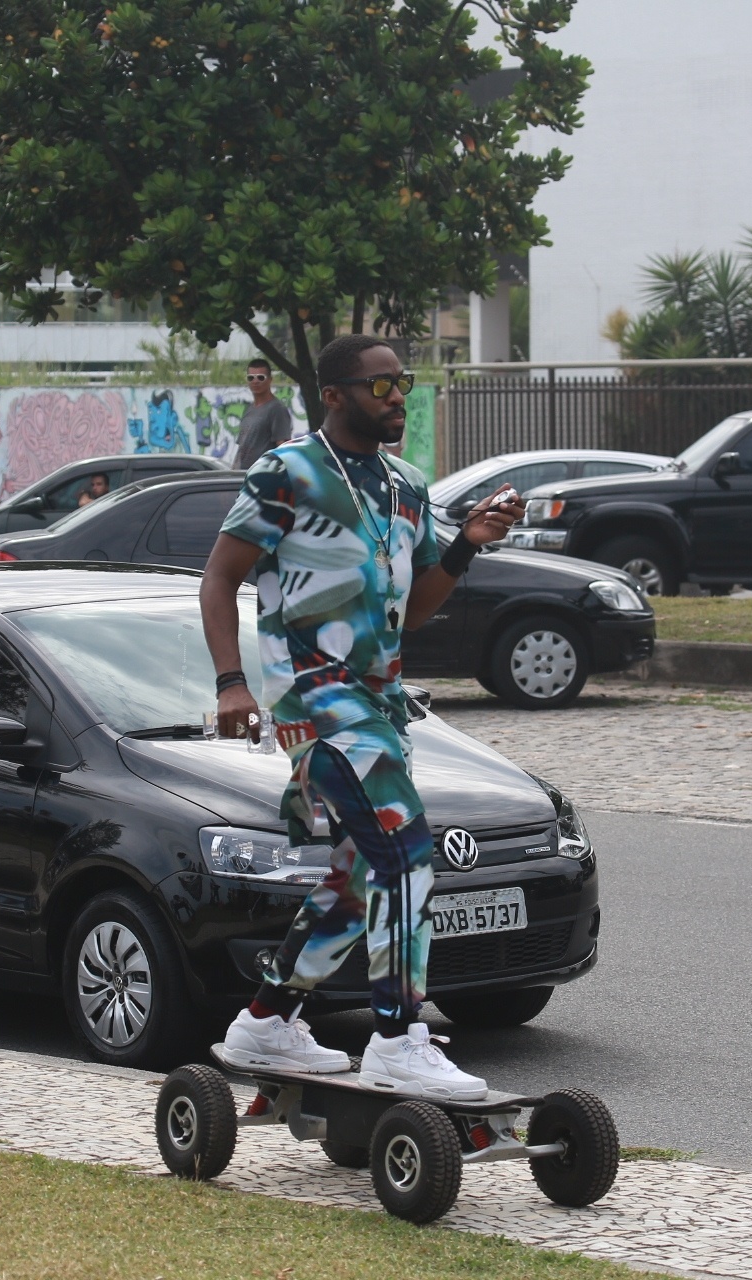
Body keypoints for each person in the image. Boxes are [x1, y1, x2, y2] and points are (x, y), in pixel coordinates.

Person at [200, 335, 522, 1099]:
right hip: (316, 700)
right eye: (380, 386)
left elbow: (414, 610)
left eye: (402, 382)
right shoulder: (286, 473)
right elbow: (219, 578)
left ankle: (266, 1022)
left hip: (382, 704)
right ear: (334, 395)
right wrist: (231, 684)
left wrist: (466, 546)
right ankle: (399, 1037)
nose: (397, 396)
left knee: (355, 879)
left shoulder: (407, 485)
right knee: (406, 853)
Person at [232, 358, 293, 470]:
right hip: (243, 475)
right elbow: (242, 448)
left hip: (263, 474)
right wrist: (233, 472)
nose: (255, 381)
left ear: (270, 380)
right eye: (251, 378)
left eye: (261, 377)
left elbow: (283, 447)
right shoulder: (249, 409)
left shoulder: (276, 409)